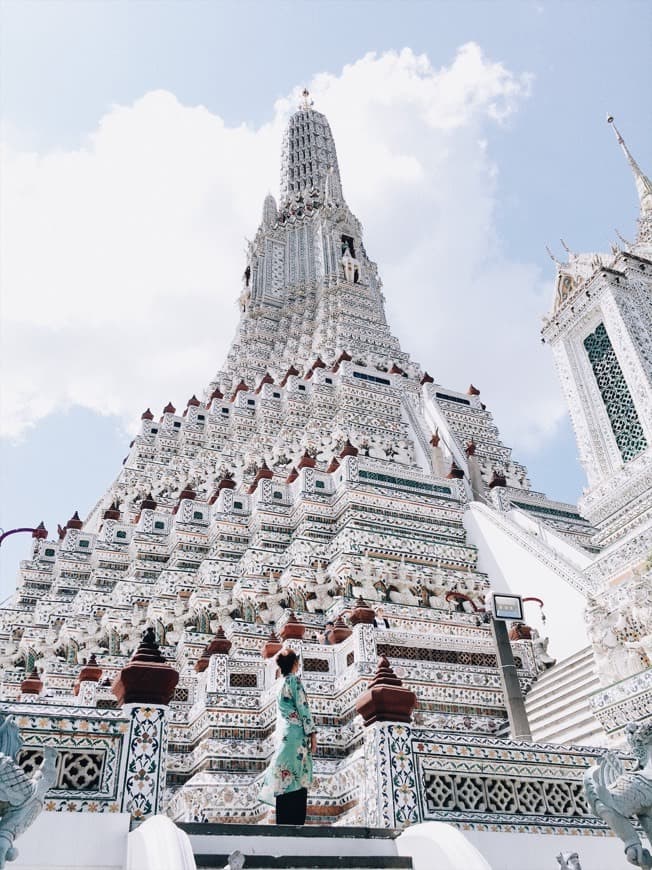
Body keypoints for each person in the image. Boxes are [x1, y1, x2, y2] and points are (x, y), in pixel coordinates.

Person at [260, 648, 317, 825]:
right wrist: (313, 734)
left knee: (284, 775)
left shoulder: (280, 684)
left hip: (284, 735)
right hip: (296, 734)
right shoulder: (294, 681)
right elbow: (303, 709)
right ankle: (296, 820)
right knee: (298, 774)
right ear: (294, 664)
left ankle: (284, 819)